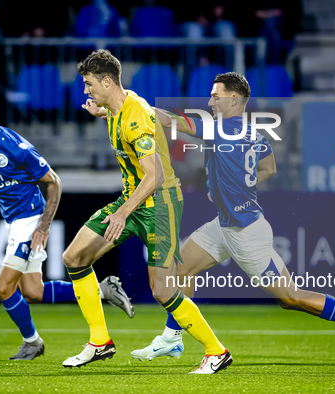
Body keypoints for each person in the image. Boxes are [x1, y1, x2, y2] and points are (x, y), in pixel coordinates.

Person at [131, 72, 335, 361]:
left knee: (291, 298)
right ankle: (172, 338)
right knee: (181, 269)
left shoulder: (217, 128)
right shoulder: (255, 134)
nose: (209, 101)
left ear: (234, 99)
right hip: (225, 225)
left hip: (245, 233)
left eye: (215, 97)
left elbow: (167, 119)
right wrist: (233, 187)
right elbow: (269, 169)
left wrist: (128, 103)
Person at [62, 49, 232, 374]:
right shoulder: (118, 106)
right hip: (133, 199)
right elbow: (133, 116)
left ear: (107, 81)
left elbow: (153, 177)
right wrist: (101, 113)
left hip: (160, 205)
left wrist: (123, 213)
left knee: (164, 290)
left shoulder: (135, 113)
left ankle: (216, 351)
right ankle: (100, 342)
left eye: (88, 84)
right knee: (74, 257)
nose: (85, 90)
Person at [0, 91, 134, 361]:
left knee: (3, 287)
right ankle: (104, 289)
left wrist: (43, 226)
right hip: (13, 220)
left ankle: (32, 342)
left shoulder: (13, 145)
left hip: (32, 217)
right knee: (34, 292)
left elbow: (54, 182)